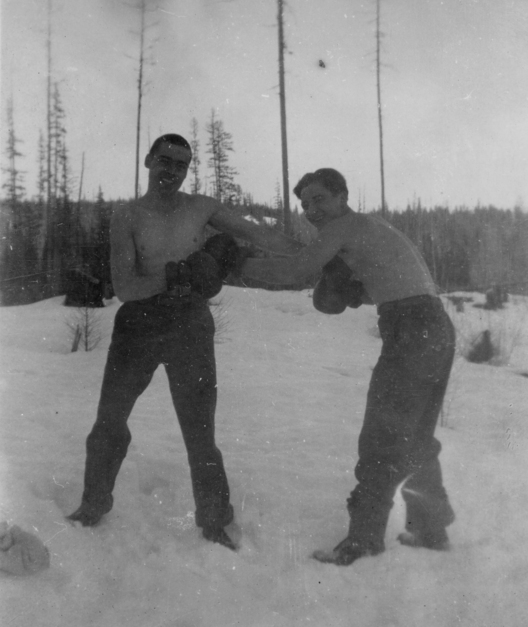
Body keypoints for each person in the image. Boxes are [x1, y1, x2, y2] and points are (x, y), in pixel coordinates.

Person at [67, 133, 302, 550]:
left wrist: (317, 253)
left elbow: (261, 236)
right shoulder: (128, 216)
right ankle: (92, 504)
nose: (172, 171)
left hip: (189, 323)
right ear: (148, 161)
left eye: (181, 165)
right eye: (165, 161)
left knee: (200, 431)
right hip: (139, 324)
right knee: (109, 421)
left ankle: (214, 520)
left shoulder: (201, 208)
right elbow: (127, 287)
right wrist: (179, 273)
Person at [241, 168, 456, 565]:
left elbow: (294, 270)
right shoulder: (369, 227)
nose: (311, 210)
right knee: (415, 436)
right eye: (305, 204)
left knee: (380, 438)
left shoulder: (344, 227)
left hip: (411, 330)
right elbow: (393, 281)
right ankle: (431, 529)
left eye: (319, 199)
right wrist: (358, 290)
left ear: (342, 196)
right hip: (435, 327)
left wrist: (235, 265)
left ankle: (364, 540)